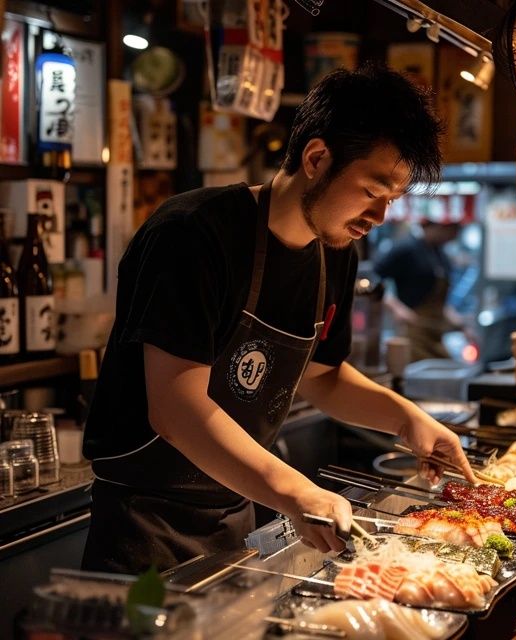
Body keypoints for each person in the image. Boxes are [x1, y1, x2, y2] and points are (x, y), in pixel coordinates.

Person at [81, 64, 477, 575]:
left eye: (392, 201)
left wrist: (409, 420)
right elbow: (175, 410)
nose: (379, 218)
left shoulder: (335, 252)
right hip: (143, 527)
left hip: (235, 515)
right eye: (372, 191)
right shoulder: (194, 234)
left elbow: (323, 377)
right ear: (317, 158)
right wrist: (297, 492)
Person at [374, 217, 466, 361]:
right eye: (451, 231)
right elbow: (373, 278)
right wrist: (396, 307)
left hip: (435, 331)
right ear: (437, 227)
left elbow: (437, 298)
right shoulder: (407, 248)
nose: (452, 237)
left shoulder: (441, 255)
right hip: (413, 329)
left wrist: (458, 321)